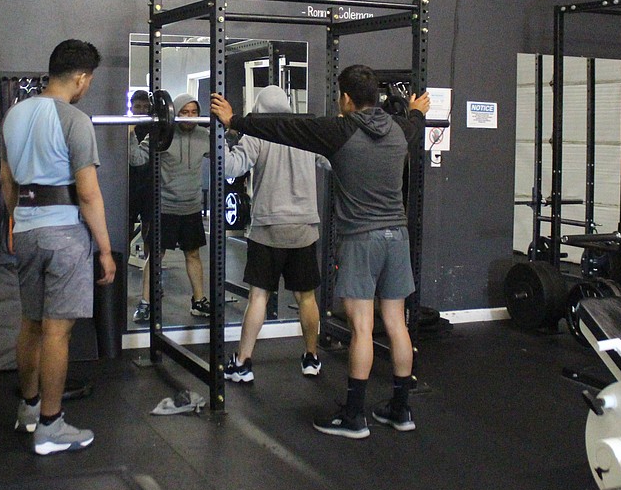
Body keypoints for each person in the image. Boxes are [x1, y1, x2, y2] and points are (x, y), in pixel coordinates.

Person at [210, 66, 429, 439]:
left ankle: (355, 416)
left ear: (345, 99)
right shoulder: (400, 130)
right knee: (396, 323)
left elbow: (282, 128)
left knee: (361, 327)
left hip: (362, 239)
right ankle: (400, 408)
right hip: (398, 236)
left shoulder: (339, 131)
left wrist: (234, 121)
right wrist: (417, 110)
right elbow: (415, 122)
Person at [0, 39, 115, 455]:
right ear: (82, 78)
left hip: (27, 230)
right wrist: (104, 248)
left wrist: (16, 222)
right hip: (64, 233)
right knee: (57, 332)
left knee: (31, 322)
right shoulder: (75, 120)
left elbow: (7, 182)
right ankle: (50, 426)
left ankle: (28, 410)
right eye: (89, 80)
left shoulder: (13, 115)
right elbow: (88, 195)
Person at [221, 85, 324, 383]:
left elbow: (231, 167)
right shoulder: (307, 133)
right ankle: (311, 358)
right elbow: (332, 161)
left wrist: (220, 138)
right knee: (306, 297)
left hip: (268, 229)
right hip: (304, 228)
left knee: (258, 297)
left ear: (259, 109)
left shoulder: (257, 134)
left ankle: (242, 362)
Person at [129, 93, 211, 320]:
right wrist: (128, 134)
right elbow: (136, 159)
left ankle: (199, 301)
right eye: (185, 112)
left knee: (193, 254)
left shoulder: (204, 136)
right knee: (155, 255)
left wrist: (230, 131)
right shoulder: (161, 135)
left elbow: (227, 160)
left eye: (194, 113)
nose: (190, 117)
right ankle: (146, 303)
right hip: (165, 207)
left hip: (191, 207)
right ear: (175, 113)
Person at [126, 90, 153, 289]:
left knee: (149, 230)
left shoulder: (154, 128)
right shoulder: (125, 127)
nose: (142, 110)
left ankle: (149, 270)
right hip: (129, 186)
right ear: (131, 107)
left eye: (145, 106)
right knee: (125, 230)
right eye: (138, 107)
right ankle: (121, 270)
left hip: (150, 184)